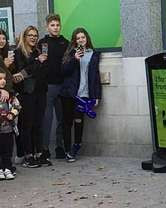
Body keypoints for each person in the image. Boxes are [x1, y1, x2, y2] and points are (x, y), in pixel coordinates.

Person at [60, 28, 101, 162]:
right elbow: (64, 72)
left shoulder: (93, 54)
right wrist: (74, 59)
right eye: (78, 38)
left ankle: (76, 147)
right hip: (69, 94)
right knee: (67, 122)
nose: (81, 40)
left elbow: (96, 77)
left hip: (83, 95)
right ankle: (67, 150)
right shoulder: (70, 53)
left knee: (79, 121)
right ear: (74, 41)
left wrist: (96, 96)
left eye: (83, 37)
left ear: (87, 38)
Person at [10, 25, 48, 168]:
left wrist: (41, 62)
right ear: (24, 37)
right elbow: (22, 73)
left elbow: (41, 71)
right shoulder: (19, 52)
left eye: (35, 35)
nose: (33, 38)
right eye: (30, 35)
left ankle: (38, 153)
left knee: (38, 123)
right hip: (27, 93)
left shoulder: (38, 51)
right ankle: (27, 155)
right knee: (27, 124)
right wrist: (38, 61)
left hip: (40, 91)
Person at [38, 14, 69, 161]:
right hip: (48, 87)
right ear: (47, 26)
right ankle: (45, 150)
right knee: (47, 119)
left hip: (63, 86)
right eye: (52, 25)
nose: (55, 28)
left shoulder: (65, 42)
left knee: (62, 118)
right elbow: (39, 64)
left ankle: (60, 147)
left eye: (57, 25)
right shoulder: (42, 43)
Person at [0, 70, 21, 180]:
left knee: (7, 148)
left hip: (7, 128)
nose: (2, 81)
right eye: (0, 79)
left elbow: (17, 106)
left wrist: (12, 114)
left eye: (4, 79)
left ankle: (7, 168)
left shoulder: (10, 95)